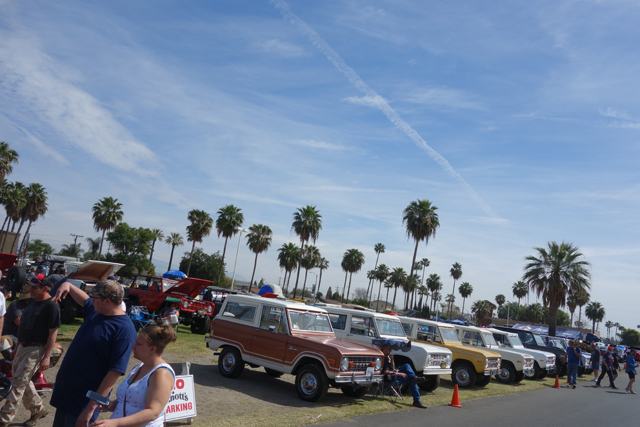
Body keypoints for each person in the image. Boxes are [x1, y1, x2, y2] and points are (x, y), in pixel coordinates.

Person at [51, 280, 137, 427]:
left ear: (107, 301)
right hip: (67, 396)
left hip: (83, 404)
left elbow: (114, 373)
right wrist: (69, 286)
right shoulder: (97, 311)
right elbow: (84, 300)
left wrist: (91, 407)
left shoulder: (124, 331)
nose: (91, 300)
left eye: (95, 297)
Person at [0, 277, 61, 427]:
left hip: (36, 349)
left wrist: (46, 356)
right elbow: (24, 326)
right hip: (22, 346)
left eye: (34, 287)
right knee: (22, 381)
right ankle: (38, 409)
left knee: (18, 384)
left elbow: (53, 333)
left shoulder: (52, 306)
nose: (30, 290)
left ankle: (3, 419)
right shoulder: (33, 302)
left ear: (45, 289)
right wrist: (16, 348)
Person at [90, 324, 177, 427]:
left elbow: (153, 412)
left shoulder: (162, 373)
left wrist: (115, 423)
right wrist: (113, 404)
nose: (133, 346)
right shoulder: (138, 367)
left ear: (152, 349)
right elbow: (131, 400)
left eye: (138, 344)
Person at [380, 344, 427, 409]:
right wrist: (400, 374)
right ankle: (417, 401)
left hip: (394, 374)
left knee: (407, 366)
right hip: (390, 378)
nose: (390, 351)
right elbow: (386, 372)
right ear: (384, 349)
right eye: (389, 350)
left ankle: (413, 377)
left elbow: (392, 369)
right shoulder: (383, 358)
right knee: (412, 380)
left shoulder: (387, 358)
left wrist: (392, 360)